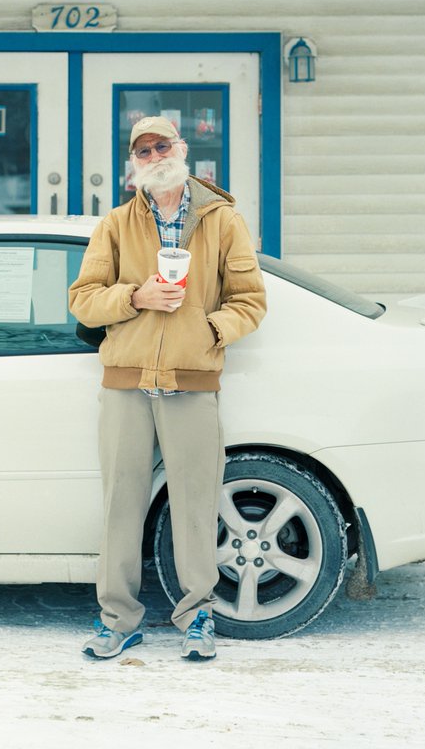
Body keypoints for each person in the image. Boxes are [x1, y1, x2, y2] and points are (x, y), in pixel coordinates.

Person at [68, 115, 266, 661]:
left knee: (196, 504)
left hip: (192, 381)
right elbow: (83, 298)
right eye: (143, 150)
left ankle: (198, 616)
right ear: (134, 165)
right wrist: (136, 297)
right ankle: (118, 619)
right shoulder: (115, 224)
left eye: (161, 146)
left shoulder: (223, 221)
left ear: (180, 150)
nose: (154, 156)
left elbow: (250, 300)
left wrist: (208, 331)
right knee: (120, 507)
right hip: (126, 383)